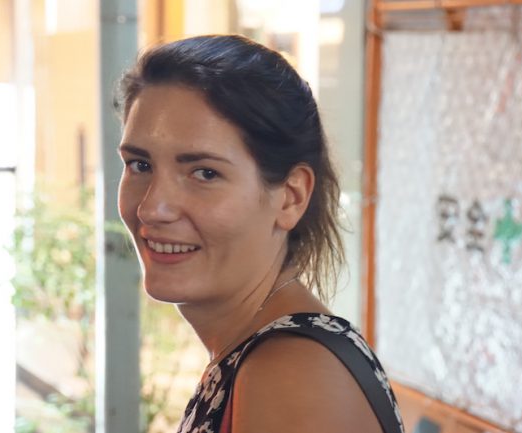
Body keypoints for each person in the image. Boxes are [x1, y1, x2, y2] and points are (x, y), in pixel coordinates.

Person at [116, 34, 404, 433]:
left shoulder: (291, 374)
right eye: (140, 165)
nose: (152, 208)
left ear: (291, 197)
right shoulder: (255, 355)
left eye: (204, 173)